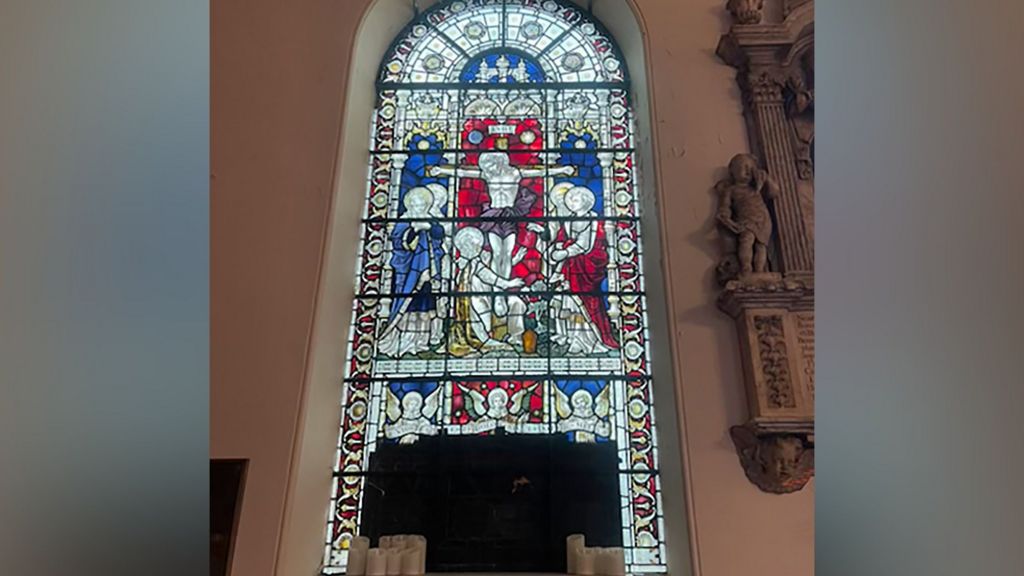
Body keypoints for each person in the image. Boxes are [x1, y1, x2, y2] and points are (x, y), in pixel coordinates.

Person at [547, 186, 619, 352]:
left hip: (586, 268)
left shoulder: (594, 221)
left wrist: (564, 252)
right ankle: (572, 337)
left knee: (587, 302)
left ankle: (589, 340)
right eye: (570, 199)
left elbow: (585, 245)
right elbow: (561, 238)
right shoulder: (569, 221)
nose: (571, 202)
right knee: (568, 301)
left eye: (576, 199)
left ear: (586, 202)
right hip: (570, 267)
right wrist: (557, 250)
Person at [377, 187, 445, 357]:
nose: (419, 207)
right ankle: (402, 341)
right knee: (406, 305)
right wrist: (414, 230)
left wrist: (428, 227)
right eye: (415, 204)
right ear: (409, 205)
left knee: (425, 306)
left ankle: (422, 342)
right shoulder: (403, 222)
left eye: (423, 204)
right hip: (407, 273)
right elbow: (398, 243)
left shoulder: (431, 220)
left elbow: (439, 236)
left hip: (427, 273)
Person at [448, 226, 529, 357]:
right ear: (464, 247)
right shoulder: (458, 263)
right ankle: (478, 339)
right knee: (473, 314)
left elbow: (490, 277)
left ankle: (485, 338)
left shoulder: (476, 263)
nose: (477, 249)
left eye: (477, 246)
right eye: (474, 246)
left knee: (477, 320)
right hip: (464, 301)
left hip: (475, 300)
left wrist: (508, 283)